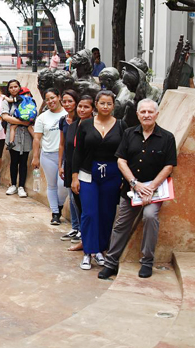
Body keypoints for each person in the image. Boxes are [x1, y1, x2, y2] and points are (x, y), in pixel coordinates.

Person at [99, 99, 177, 279]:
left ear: (157, 114)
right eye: (143, 112)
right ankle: (111, 263)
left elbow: (169, 166)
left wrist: (150, 188)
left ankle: (147, 262)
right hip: (131, 188)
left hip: (154, 191)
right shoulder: (128, 133)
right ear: (138, 114)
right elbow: (121, 160)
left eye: (150, 112)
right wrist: (135, 184)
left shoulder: (167, 137)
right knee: (120, 225)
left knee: (150, 217)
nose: (147, 115)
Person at [72, 90, 126, 271]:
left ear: (113, 106)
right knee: (89, 213)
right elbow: (77, 152)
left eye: (109, 103)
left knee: (106, 213)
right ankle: (88, 251)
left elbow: (125, 153)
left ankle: (101, 250)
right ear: (96, 104)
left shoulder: (121, 125)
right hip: (88, 173)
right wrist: (74, 176)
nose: (105, 106)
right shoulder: (86, 125)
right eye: (102, 103)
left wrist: (123, 177)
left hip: (112, 174)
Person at [32, 88, 68, 224]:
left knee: (63, 184)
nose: (50, 101)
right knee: (52, 185)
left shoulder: (67, 114)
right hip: (48, 155)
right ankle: (55, 213)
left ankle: (58, 205)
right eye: (47, 99)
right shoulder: (42, 118)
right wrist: (36, 157)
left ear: (59, 97)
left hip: (65, 156)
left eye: (53, 98)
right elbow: (37, 139)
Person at [58, 90, 84, 247]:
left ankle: (82, 228)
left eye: (70, 101)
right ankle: (75, 227)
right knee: (71, 196)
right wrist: (60, 164)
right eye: (64, 101)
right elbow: (61, 144)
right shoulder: (63, 121)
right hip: (68, 163)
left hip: (81, 164)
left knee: (78, 198)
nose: (67, 105)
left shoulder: (83, 120)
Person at [1, 80, 34, 197]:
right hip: (13, 136)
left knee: (23, 162)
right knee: (14, 161)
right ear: (8, 89)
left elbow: (32, 115)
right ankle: (13, 184)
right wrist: (23, 122)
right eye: (11, 87)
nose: (14, 89)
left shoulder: (26, 98)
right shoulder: (7, 101)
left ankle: (21, 187)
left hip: (26, 137)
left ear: (19, 87)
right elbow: (6, 117)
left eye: (16, 87)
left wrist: (25, 123)